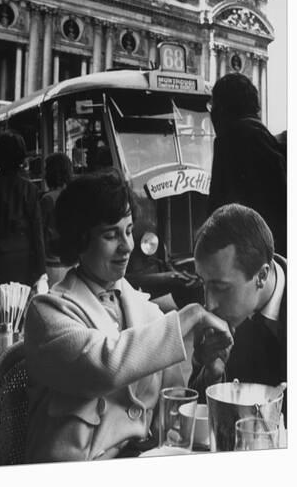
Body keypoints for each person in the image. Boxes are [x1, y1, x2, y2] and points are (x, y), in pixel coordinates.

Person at [23, 169, 232, 463]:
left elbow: (173, 406)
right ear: (79, 240)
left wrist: (206, 369)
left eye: (129, 230)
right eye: (111, 235)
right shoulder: (48, 313)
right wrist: (189, 317)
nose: (127, 246)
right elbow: (106, 365)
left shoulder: (144, 309)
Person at [189, 204, 287, 418]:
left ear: (261, 276)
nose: (209, 304)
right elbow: (193, 418)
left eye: (221, 287)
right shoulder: (223, 307)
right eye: (203, 283)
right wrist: (211, 376)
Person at [0, 130, 46, 336]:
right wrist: (40, 269)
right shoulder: (29, 190)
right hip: (22, 260)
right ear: (21, 157)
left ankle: (1, 353)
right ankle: (12, 357)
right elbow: (36, 231)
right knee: (18, 312)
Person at [207, 73, 287, 256]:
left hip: (248, 258)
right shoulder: (265, 138)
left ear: (222, 109)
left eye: (214, 105)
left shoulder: (229, 140)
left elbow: (218, 211)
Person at [40, 153, 73, 287]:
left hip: (53, 264)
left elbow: (41, 232)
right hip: (73, 262)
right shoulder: (75, 195)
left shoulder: (47, 199)